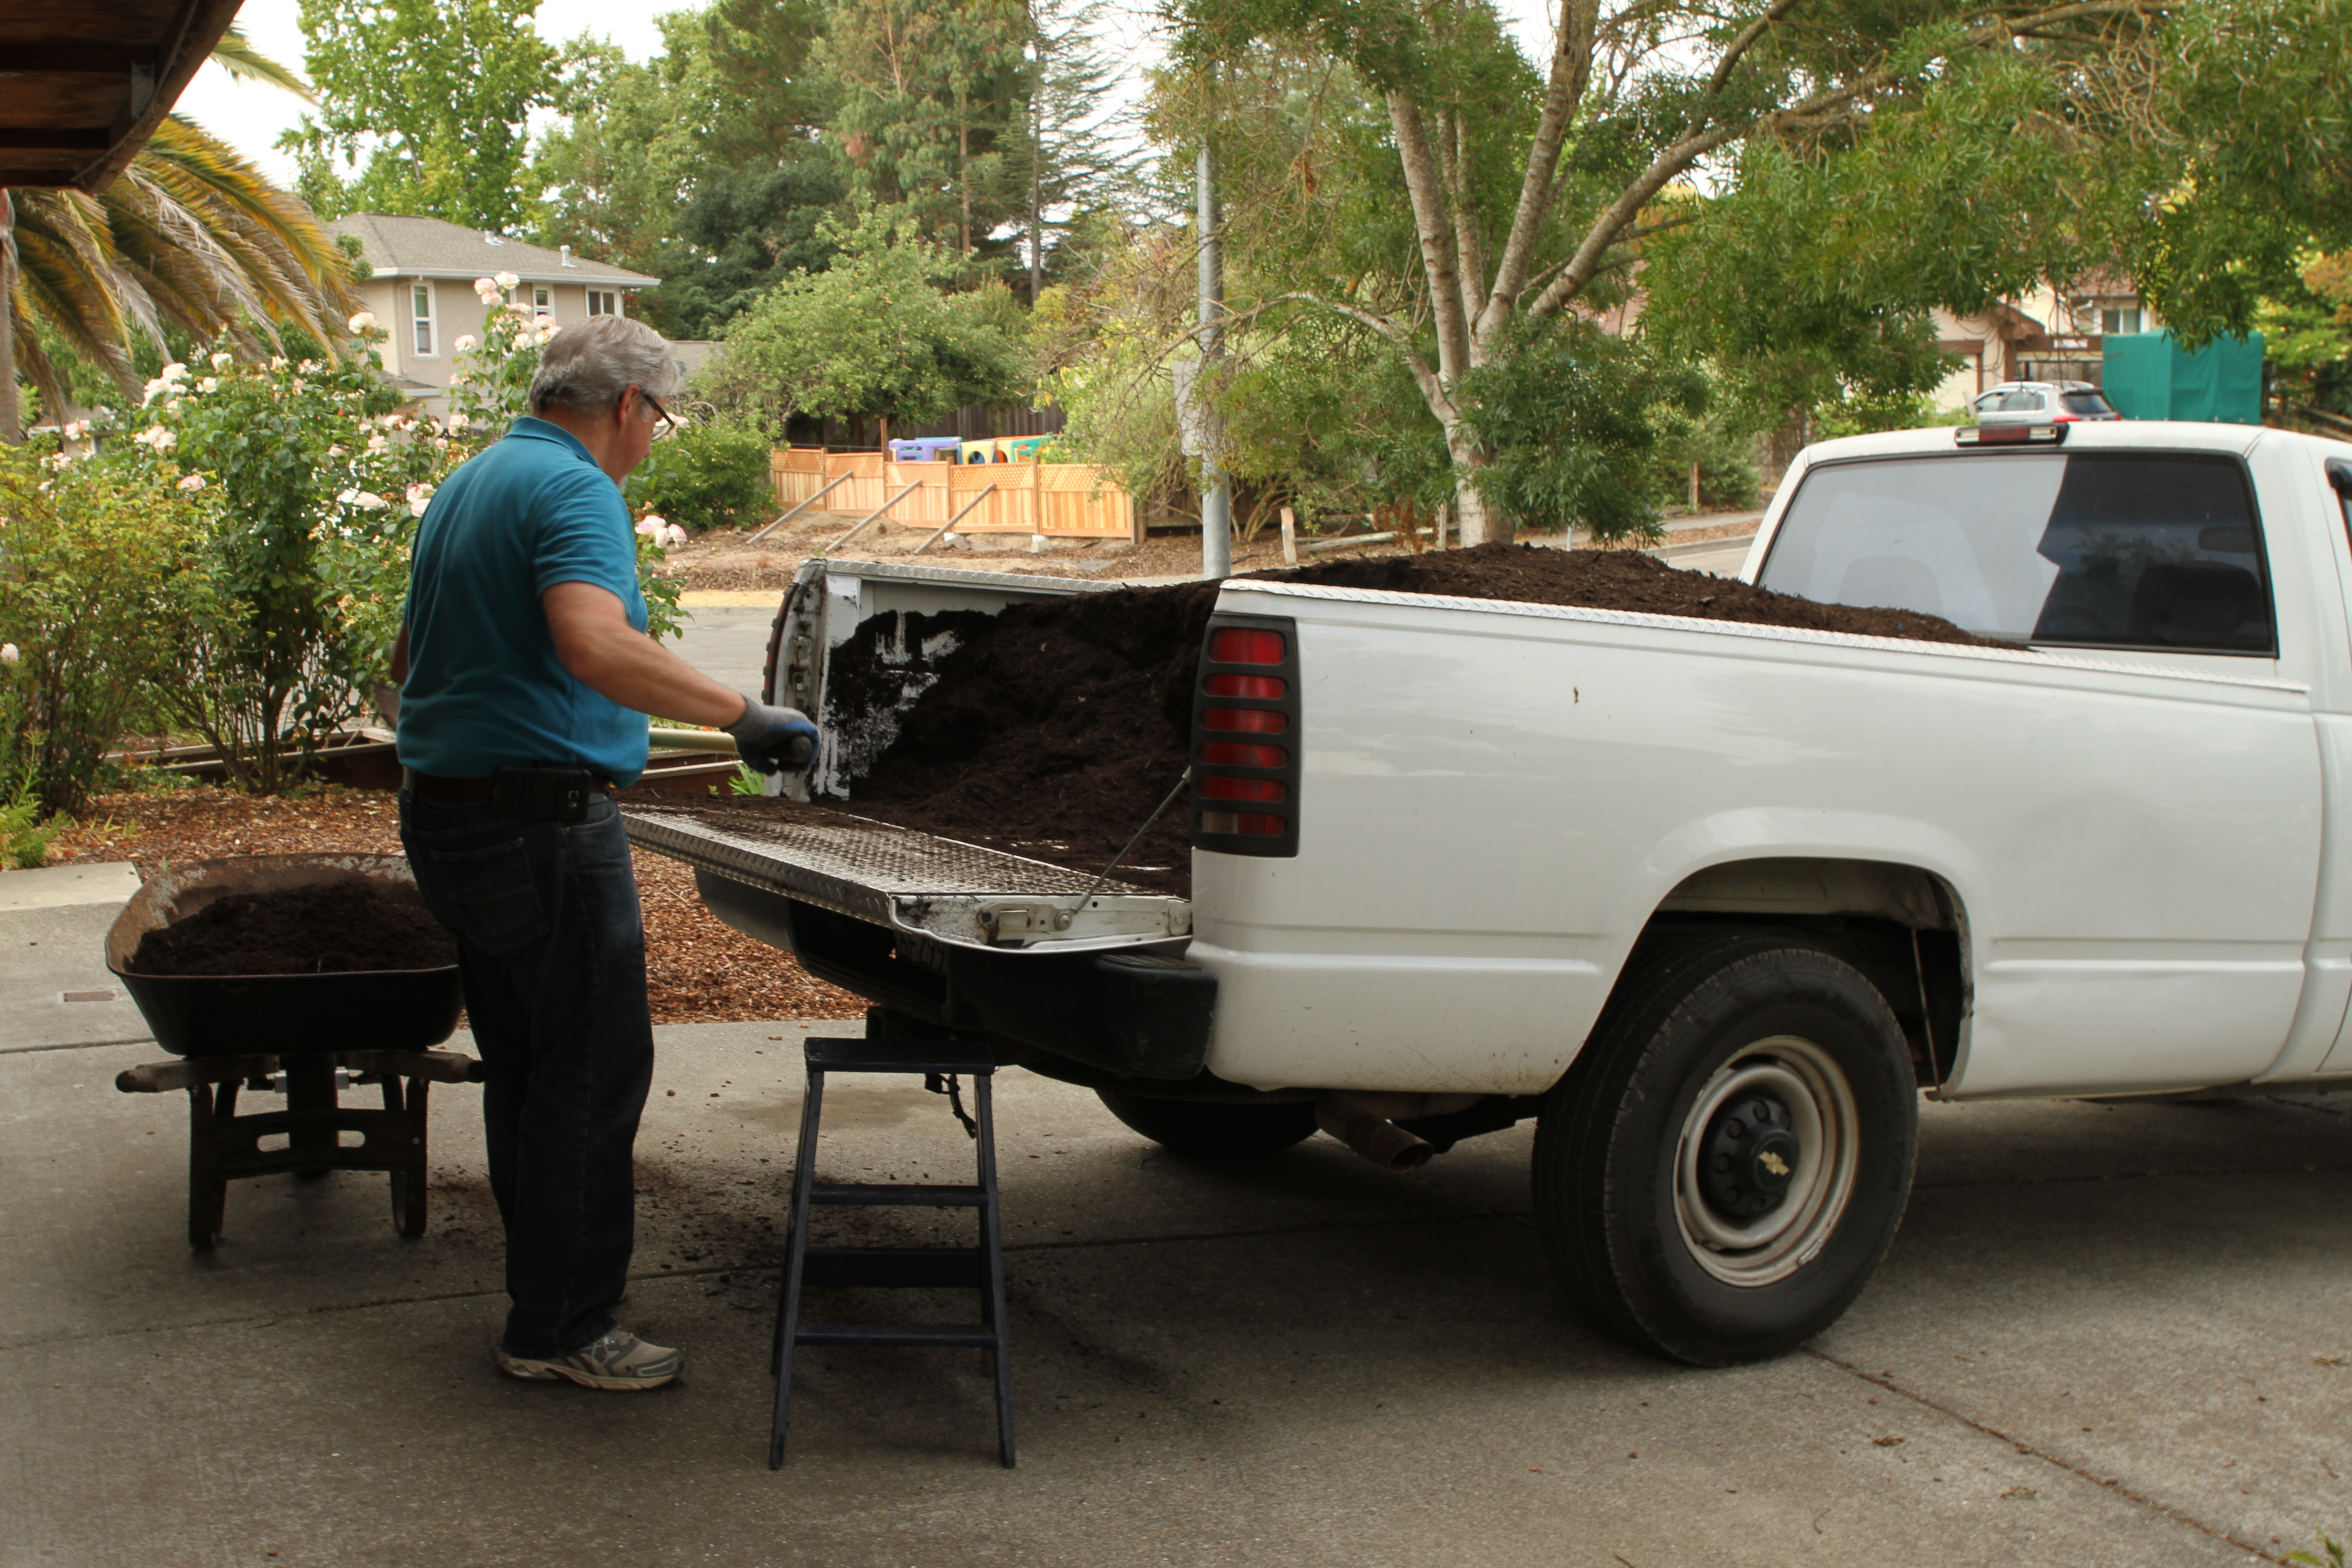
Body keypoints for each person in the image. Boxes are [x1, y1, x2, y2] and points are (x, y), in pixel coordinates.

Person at [390, 314, 816, 1391]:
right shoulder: (576, 490)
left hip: (450, 815)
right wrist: (741, 715)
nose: (652, 439)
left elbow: (407, 655)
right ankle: (565, 1326)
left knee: (528, 1064)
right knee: (591, 1068)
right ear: (628, 406)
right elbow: (592, 639)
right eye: (660, 419)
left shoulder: (471, 481)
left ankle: (543, 1297)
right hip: (540, 826)